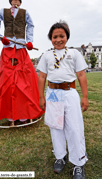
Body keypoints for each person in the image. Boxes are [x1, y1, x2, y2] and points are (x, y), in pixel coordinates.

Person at [37, 21, 89, 179]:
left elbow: (81, 75)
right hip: (52, 94)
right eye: (55, 37)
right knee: (55, 127)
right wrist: (40, 96)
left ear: (67, 37)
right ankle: (60, 156)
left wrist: (85, 96)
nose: (58, 39)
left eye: (62, 36)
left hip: (70, 93)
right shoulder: (46, 55)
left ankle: (78, 163)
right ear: (50, 38)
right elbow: (42, 77)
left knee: (74, 128)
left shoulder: (74, 53)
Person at [0, 0, 44, 124]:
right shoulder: (2, 11)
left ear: (20, 2)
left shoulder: (25, 13)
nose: (16, 1)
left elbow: (31, 25)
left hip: (21, 48)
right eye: (13, 0)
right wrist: (0, 37)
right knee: (7, 79)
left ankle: (25, 112)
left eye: (18, 0)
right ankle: (10, 114)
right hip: (8, 47)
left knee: (25, 79)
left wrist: (29, 41)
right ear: (10, 2)